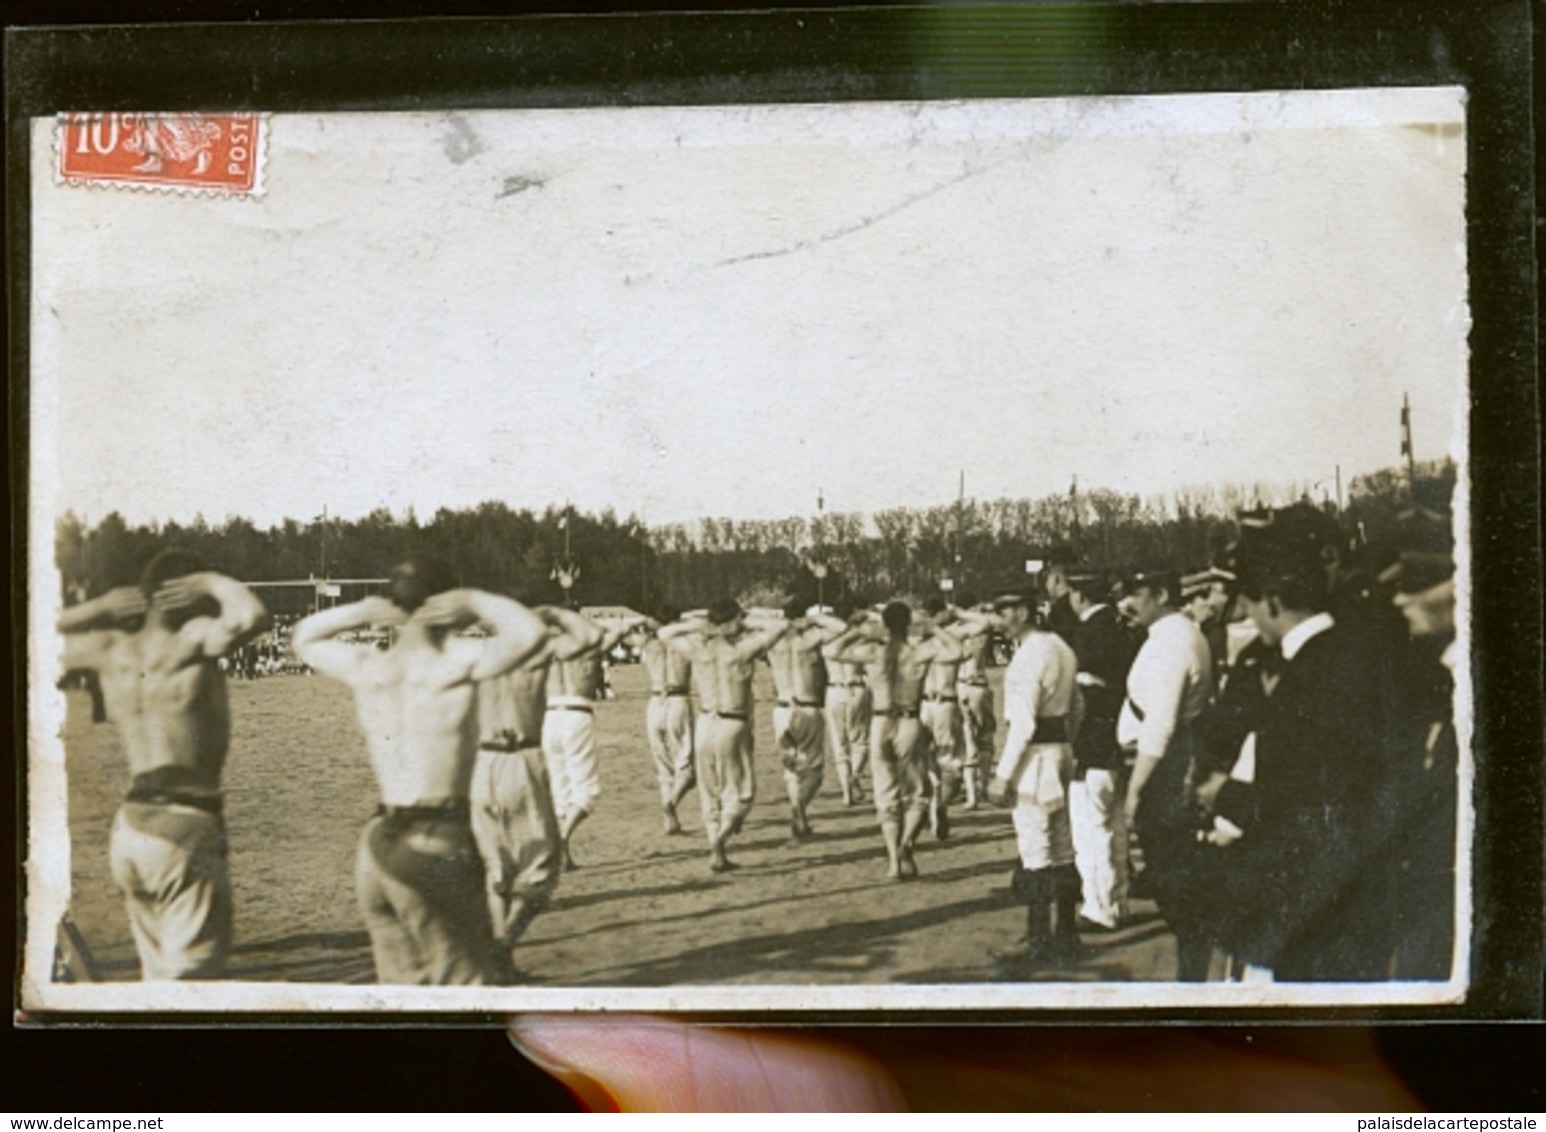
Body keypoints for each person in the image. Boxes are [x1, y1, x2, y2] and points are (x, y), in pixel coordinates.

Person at [292, 555, 548, 985]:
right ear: (446, 603)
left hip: (377, 843)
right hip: (435, 836)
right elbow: (531, 631)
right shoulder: (455, 662)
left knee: (402, 990)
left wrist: (366, 610)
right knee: (467, 983)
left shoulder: (369, 664)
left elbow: (304, 637)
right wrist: (472, 598)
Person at [1197, 509, 1396, 981]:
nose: (1246, 619)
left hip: (1311, 907)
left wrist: (1222, 795)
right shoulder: (1325, 657)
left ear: (1270, 601)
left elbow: (1307, 803)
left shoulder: (1314, 671)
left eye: (1248, 606)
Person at [57, 549, 271, 980]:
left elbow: (31, 637)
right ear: (187, 598)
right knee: (191, 988)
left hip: (131, 827)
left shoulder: (110, 647)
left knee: (157, 979)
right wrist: (212, 579)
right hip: (184, 822)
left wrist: (98, 607)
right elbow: (252, 616)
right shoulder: (191, 640)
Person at [472, 603, 601, 975]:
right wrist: (554, 612)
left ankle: (503, 962)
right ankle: (502, 946)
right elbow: (592, 637)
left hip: (483, 759)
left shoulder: (480, 654)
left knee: (496, 866)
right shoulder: (538, 651)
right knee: (543, 866)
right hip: (521, 756)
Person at [823, 602, 969, 880]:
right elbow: (958, 651)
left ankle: (892, 860)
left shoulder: (874, 653)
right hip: (909, 720)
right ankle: (907, 845)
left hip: (880, 721)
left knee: (885, 792)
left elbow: (830, 651)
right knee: (917, 793)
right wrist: (934, 628)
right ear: (908, 623)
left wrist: (857, 631)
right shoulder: (917, 653)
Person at [1117, 566, 1215, 980]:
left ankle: (1191, 980)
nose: (1125, 604)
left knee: (1174, 880)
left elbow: (1160, 723)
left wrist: (1137, 790)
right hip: (1166, 763)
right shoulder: (1170, 635)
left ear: (1160, 593)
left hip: (1164, 769)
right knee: (1173, 877)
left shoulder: (1171, 643)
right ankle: (1190, 969)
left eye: (1133, 594)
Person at [985, 586, 1084, 967]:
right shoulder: (1061, 646)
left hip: (1034, 757)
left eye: (1006, 610)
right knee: (1062, 845)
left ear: (1025, 611)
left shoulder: (1028, 657)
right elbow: (1077, 705)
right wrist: (1067, 746)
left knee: (1036, 848)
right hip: (1059, 750)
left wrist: (1002, 775)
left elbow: (1023, 723)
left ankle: (1039, 941)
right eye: (997, 612)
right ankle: (1067, 935)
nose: (999, 619)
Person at [659, 601, 788, 872]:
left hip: (706, 720)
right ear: (733, 621)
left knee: (709, 790)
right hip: (733, 721)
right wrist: (744, 621)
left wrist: (705, 624)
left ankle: (716, 850)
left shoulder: (699, 649)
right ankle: (720, 840)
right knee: (742, 792)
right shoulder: (742, 649)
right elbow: (781, 626)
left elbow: (664, 633)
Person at [1064, 570, 1135, 932]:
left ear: (1080, 596)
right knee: (1115, 828)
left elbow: (1084, 701)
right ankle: (1117, 900)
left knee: (1092, 831)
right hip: (1119, 742)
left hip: (1093, 746)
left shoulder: (1089, 635)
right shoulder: (1120, 627)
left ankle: (1100, 908)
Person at [543, 609, 642, 868]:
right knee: (586, 790)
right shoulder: (587, 646)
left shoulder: (543, 647)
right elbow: (620, 630)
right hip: (576, 713)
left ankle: (562, 851)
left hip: (549, 715)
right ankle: (562, 839)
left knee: (559, 789)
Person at [765, 599, 849, 841]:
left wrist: (778, 621)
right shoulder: (810, 639)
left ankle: (797, 808)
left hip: (782, 708)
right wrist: (814, 619)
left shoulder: (773, 641)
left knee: (791, 767)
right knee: (814, 770)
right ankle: (800, 807)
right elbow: (841, 628)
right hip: (808, 706)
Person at [918, 597, 992, 840]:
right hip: (945, 702)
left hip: (922, 704)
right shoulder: (952, 635)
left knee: (927, 761)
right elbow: (983, 622)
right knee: (950, 764)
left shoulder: (918, 636)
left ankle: (931, 801)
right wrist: (959, 611)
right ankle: (939, 805)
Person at [632, 606, 697, 836]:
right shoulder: (684, 643)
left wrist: (643, 620)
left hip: (655, 701)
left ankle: (670, 821)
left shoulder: (648, 644)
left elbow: (622, 632)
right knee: (686, 767)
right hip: (678, 698)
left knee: (663, 766)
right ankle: (670, 804)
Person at [822, 601, 872, 808]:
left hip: (834, 689)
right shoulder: (860, 640)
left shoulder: (828, 640)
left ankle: (846, 793)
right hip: (856, 687)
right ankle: (856, 776)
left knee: (839, 742)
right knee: (860, 740)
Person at [952, 591, 996, 812]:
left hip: (961, 686)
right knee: (986, 739)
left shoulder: (956, 631)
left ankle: (971, 795)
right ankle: (984, 787)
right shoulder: (981, 632)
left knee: (968, 741)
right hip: (981, 685)